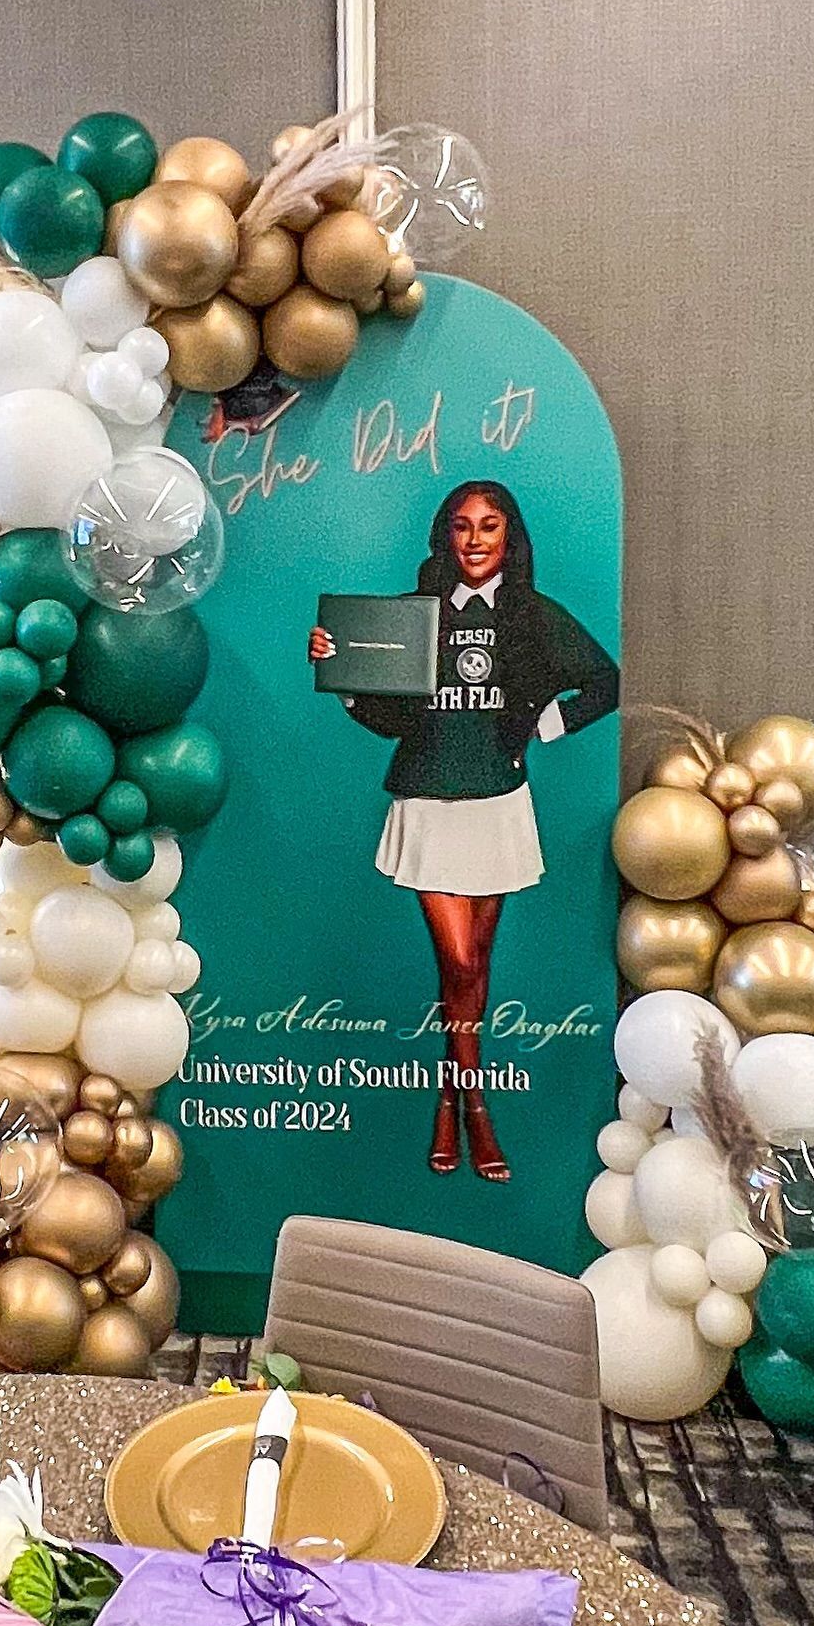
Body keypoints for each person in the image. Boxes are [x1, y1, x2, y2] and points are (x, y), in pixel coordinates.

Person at [309, 480, 617, 1179]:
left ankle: (449, 1099)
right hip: (427, 800)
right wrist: (341, 671)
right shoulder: (414, 614)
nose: (475, 540)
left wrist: (545, 724)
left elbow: (605, 680)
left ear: (510, 535)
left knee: (475, 961)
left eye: (489, 525)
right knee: (460, 963)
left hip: (497, 802)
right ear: (444, 536)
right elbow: (391, 717)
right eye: (461, 526)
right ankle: (476, 1107)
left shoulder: (532, 616)